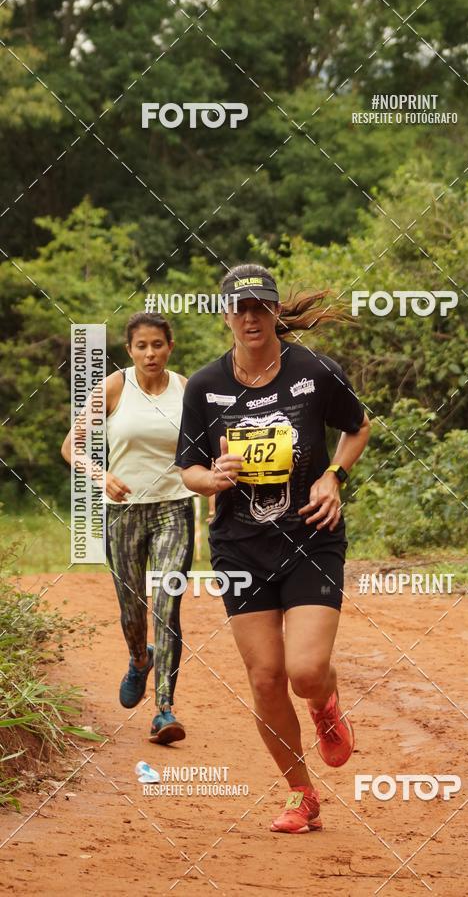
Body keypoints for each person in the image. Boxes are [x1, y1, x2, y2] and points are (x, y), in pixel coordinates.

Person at [176, 264, 370, 832]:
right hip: (240, 544)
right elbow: (186, 467)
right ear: (226, 315)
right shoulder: (204, 385)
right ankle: (301, 794)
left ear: (275, 312)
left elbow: (358, 427)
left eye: (261, 307)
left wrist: (333, 474)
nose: (251, 317)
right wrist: (210, 478)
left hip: (311, 534)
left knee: (305, 672)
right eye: (240, 308)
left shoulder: (313, 371)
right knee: (265, 678)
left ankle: (324, 704)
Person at [61, 312, 194, 745]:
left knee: (166, 604)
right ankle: (140, 659)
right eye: (142, 346)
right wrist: (101, 476)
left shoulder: (186, 389)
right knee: (132, 608)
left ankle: (164, 710)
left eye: (158, 344)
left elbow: (207, 450)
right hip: (123, 513)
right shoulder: (115, 387)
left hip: (174, 507)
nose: (150, 353)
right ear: (130, 350)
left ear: (170, 346)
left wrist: (214, 498)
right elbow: (71, 446)